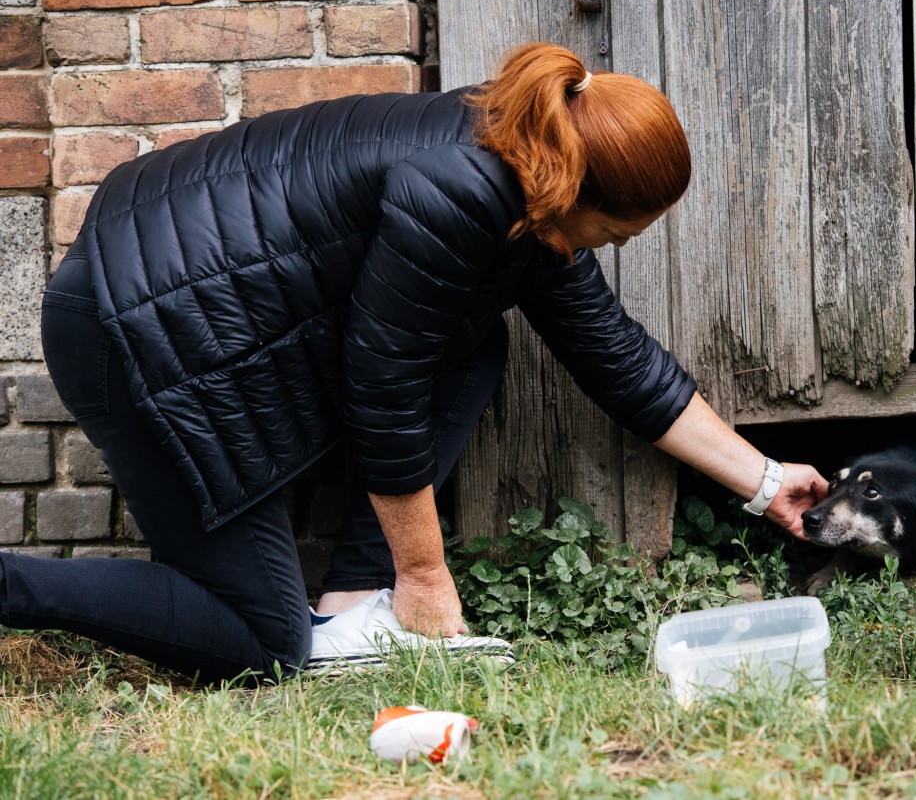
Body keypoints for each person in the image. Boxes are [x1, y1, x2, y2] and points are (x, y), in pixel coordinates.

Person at [0, 43, 828, 683]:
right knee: (261, 643)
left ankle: (359, 609)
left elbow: (613, 355)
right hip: (136, 336)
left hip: (197, 321)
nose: (605, 253)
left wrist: (762, 481)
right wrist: (425, 578)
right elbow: (383, 389)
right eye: (612, 235)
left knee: (472, 341)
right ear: (576, 193)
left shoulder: (528, 174)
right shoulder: (462, 190)